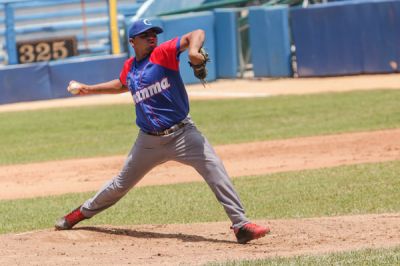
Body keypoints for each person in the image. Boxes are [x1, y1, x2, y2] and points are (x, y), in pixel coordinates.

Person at [55, 18, 269, 244]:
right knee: (119, 184)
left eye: (154, 34)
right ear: (132, 41)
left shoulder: (163, 53)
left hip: (183, 135)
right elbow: (121, 84)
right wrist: (88, 89)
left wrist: (193, 51)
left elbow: (195, 32)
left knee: (214, 169)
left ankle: (241, 225)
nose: (152, 38)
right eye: (145, 35)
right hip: (148, 142)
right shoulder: (130, 66)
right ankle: (79, 214)